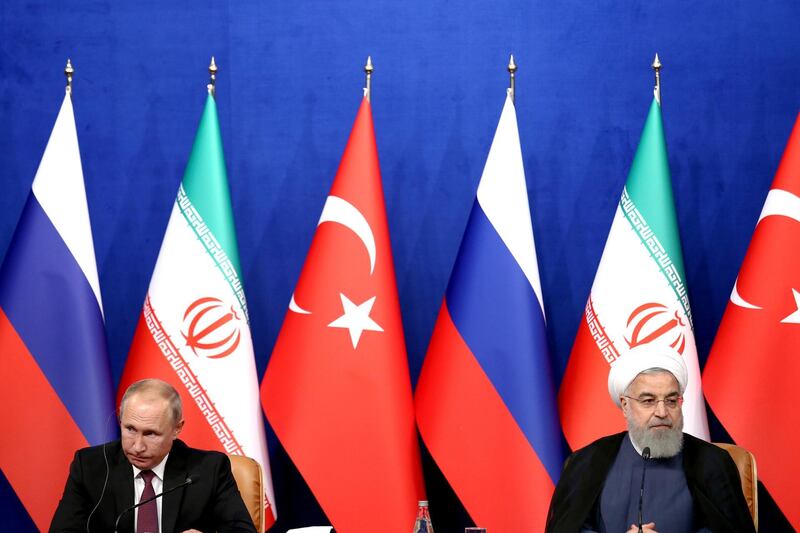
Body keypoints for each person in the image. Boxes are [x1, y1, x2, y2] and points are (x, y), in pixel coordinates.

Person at [546, 345, 756, 533]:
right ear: (625, 405)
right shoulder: (588, 462)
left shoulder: (712, 462)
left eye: (672, 400)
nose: (662, 412)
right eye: (648, 401)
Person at [49, 379, 257, 533]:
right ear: (120, 418)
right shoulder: (90, 466)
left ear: (177, 428)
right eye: (130, 429)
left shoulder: (209, 468)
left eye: (151, 434)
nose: (137, 446)